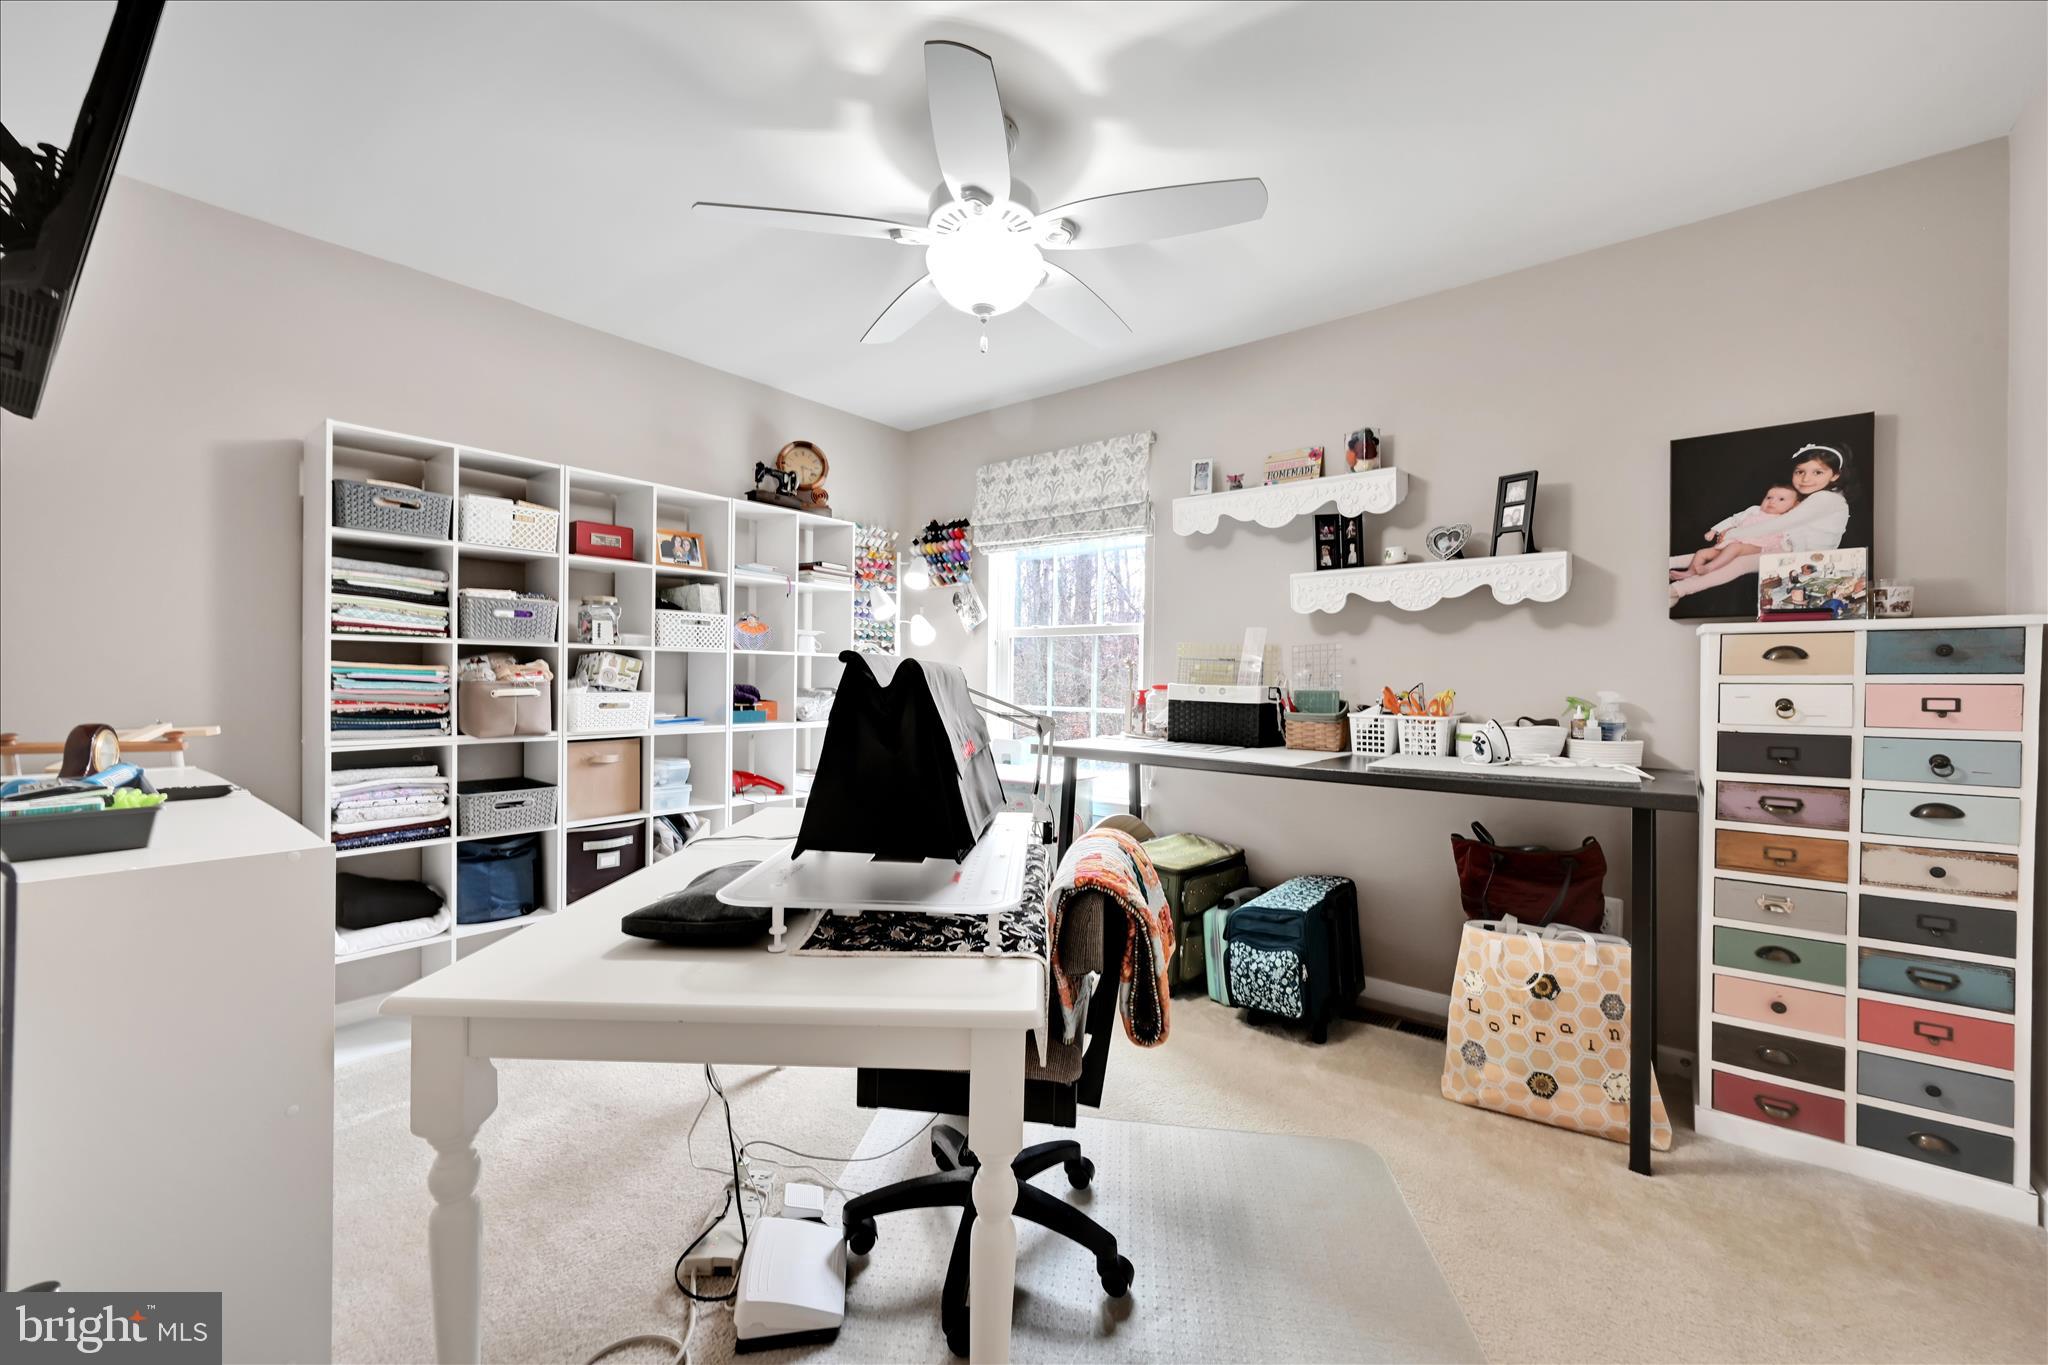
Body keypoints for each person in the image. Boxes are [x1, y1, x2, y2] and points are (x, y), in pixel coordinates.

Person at [1669, 443, 1855, 601]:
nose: (1806, 479)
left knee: (1737, 561)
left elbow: (1782, 524)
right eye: (1800, 472)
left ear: (1835, 475)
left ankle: (1678, 589)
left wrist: (1734, 532)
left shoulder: (1827, 499)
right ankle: (1673, 572)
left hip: (1805, 559)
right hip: (1789, 549)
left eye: (1817, 472)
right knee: (1728, 551)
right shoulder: (1821, 497)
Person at [1671, 481, 1802, 580]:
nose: (1772, 502)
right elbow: (1733, 520)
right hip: (1733, 542)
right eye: (1769, 497)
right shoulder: (1754, 510)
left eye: (1781, 499)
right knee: (1701, 553)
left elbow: (1792, 537)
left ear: (1793, 505)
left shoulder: (1785, 519)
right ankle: (1690, 572)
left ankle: (1709, 568)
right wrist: (1714, 530)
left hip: (1758, 546)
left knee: (1735, 548)